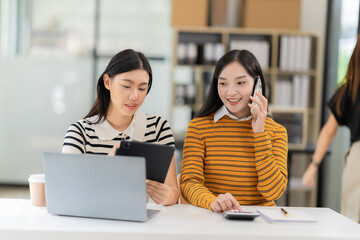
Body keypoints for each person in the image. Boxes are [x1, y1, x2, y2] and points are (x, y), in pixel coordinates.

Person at [62, 49, 179, 206]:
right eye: (126, 86)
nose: (134, 96)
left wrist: (169, 196)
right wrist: (108, 166)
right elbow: (67, 192)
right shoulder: (79, 133)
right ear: (107, 82)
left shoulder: (158, 128)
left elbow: (173, 190)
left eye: (142, 88)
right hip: (93, 223)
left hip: (140, 225)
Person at [180, 49, 288, 213]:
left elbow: (273, 191)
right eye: (223, 83)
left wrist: (260, 134)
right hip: (216, 218)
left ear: (257, 84)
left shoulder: (276, 132)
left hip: (261, 222)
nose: (230, 92)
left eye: (240, 83)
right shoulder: (198, 127)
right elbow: (189, 182)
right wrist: (213, 202)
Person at [302, 36, 360, 222]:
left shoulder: (351, 89)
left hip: (357, 161)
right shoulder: (351, 89)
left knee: (353, 222)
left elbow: (328, 131)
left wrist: (313, 166)